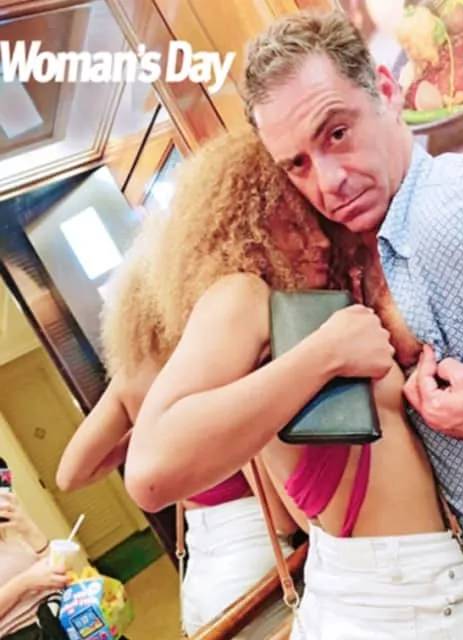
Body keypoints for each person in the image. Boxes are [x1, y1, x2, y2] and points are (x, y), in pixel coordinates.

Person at [121, 128, 463, 638]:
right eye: (292, 224)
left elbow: (295, 509)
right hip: (395, 605)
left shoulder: (291, 312)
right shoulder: (242, 294)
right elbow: (148, 473)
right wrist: (326, 355)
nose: (317, 241)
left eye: (315, 221)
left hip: (390, 587)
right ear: (246, 225)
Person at [241, 8, 463, 638]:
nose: (328, 182)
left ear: (386, 89)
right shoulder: (381, 242)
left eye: (337, 133)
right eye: (298, 164)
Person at [55, 186, 298, 638]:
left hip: (198, 570)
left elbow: (70, 474)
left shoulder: (130, 379)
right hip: (252, 549)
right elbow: (282, 516)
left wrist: (144, 435)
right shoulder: (216, 361)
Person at [0, 491, 69, 640]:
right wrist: (26, 582)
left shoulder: (11, 536)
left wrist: (30, 530)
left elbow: (59, 572)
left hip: (63, 616)